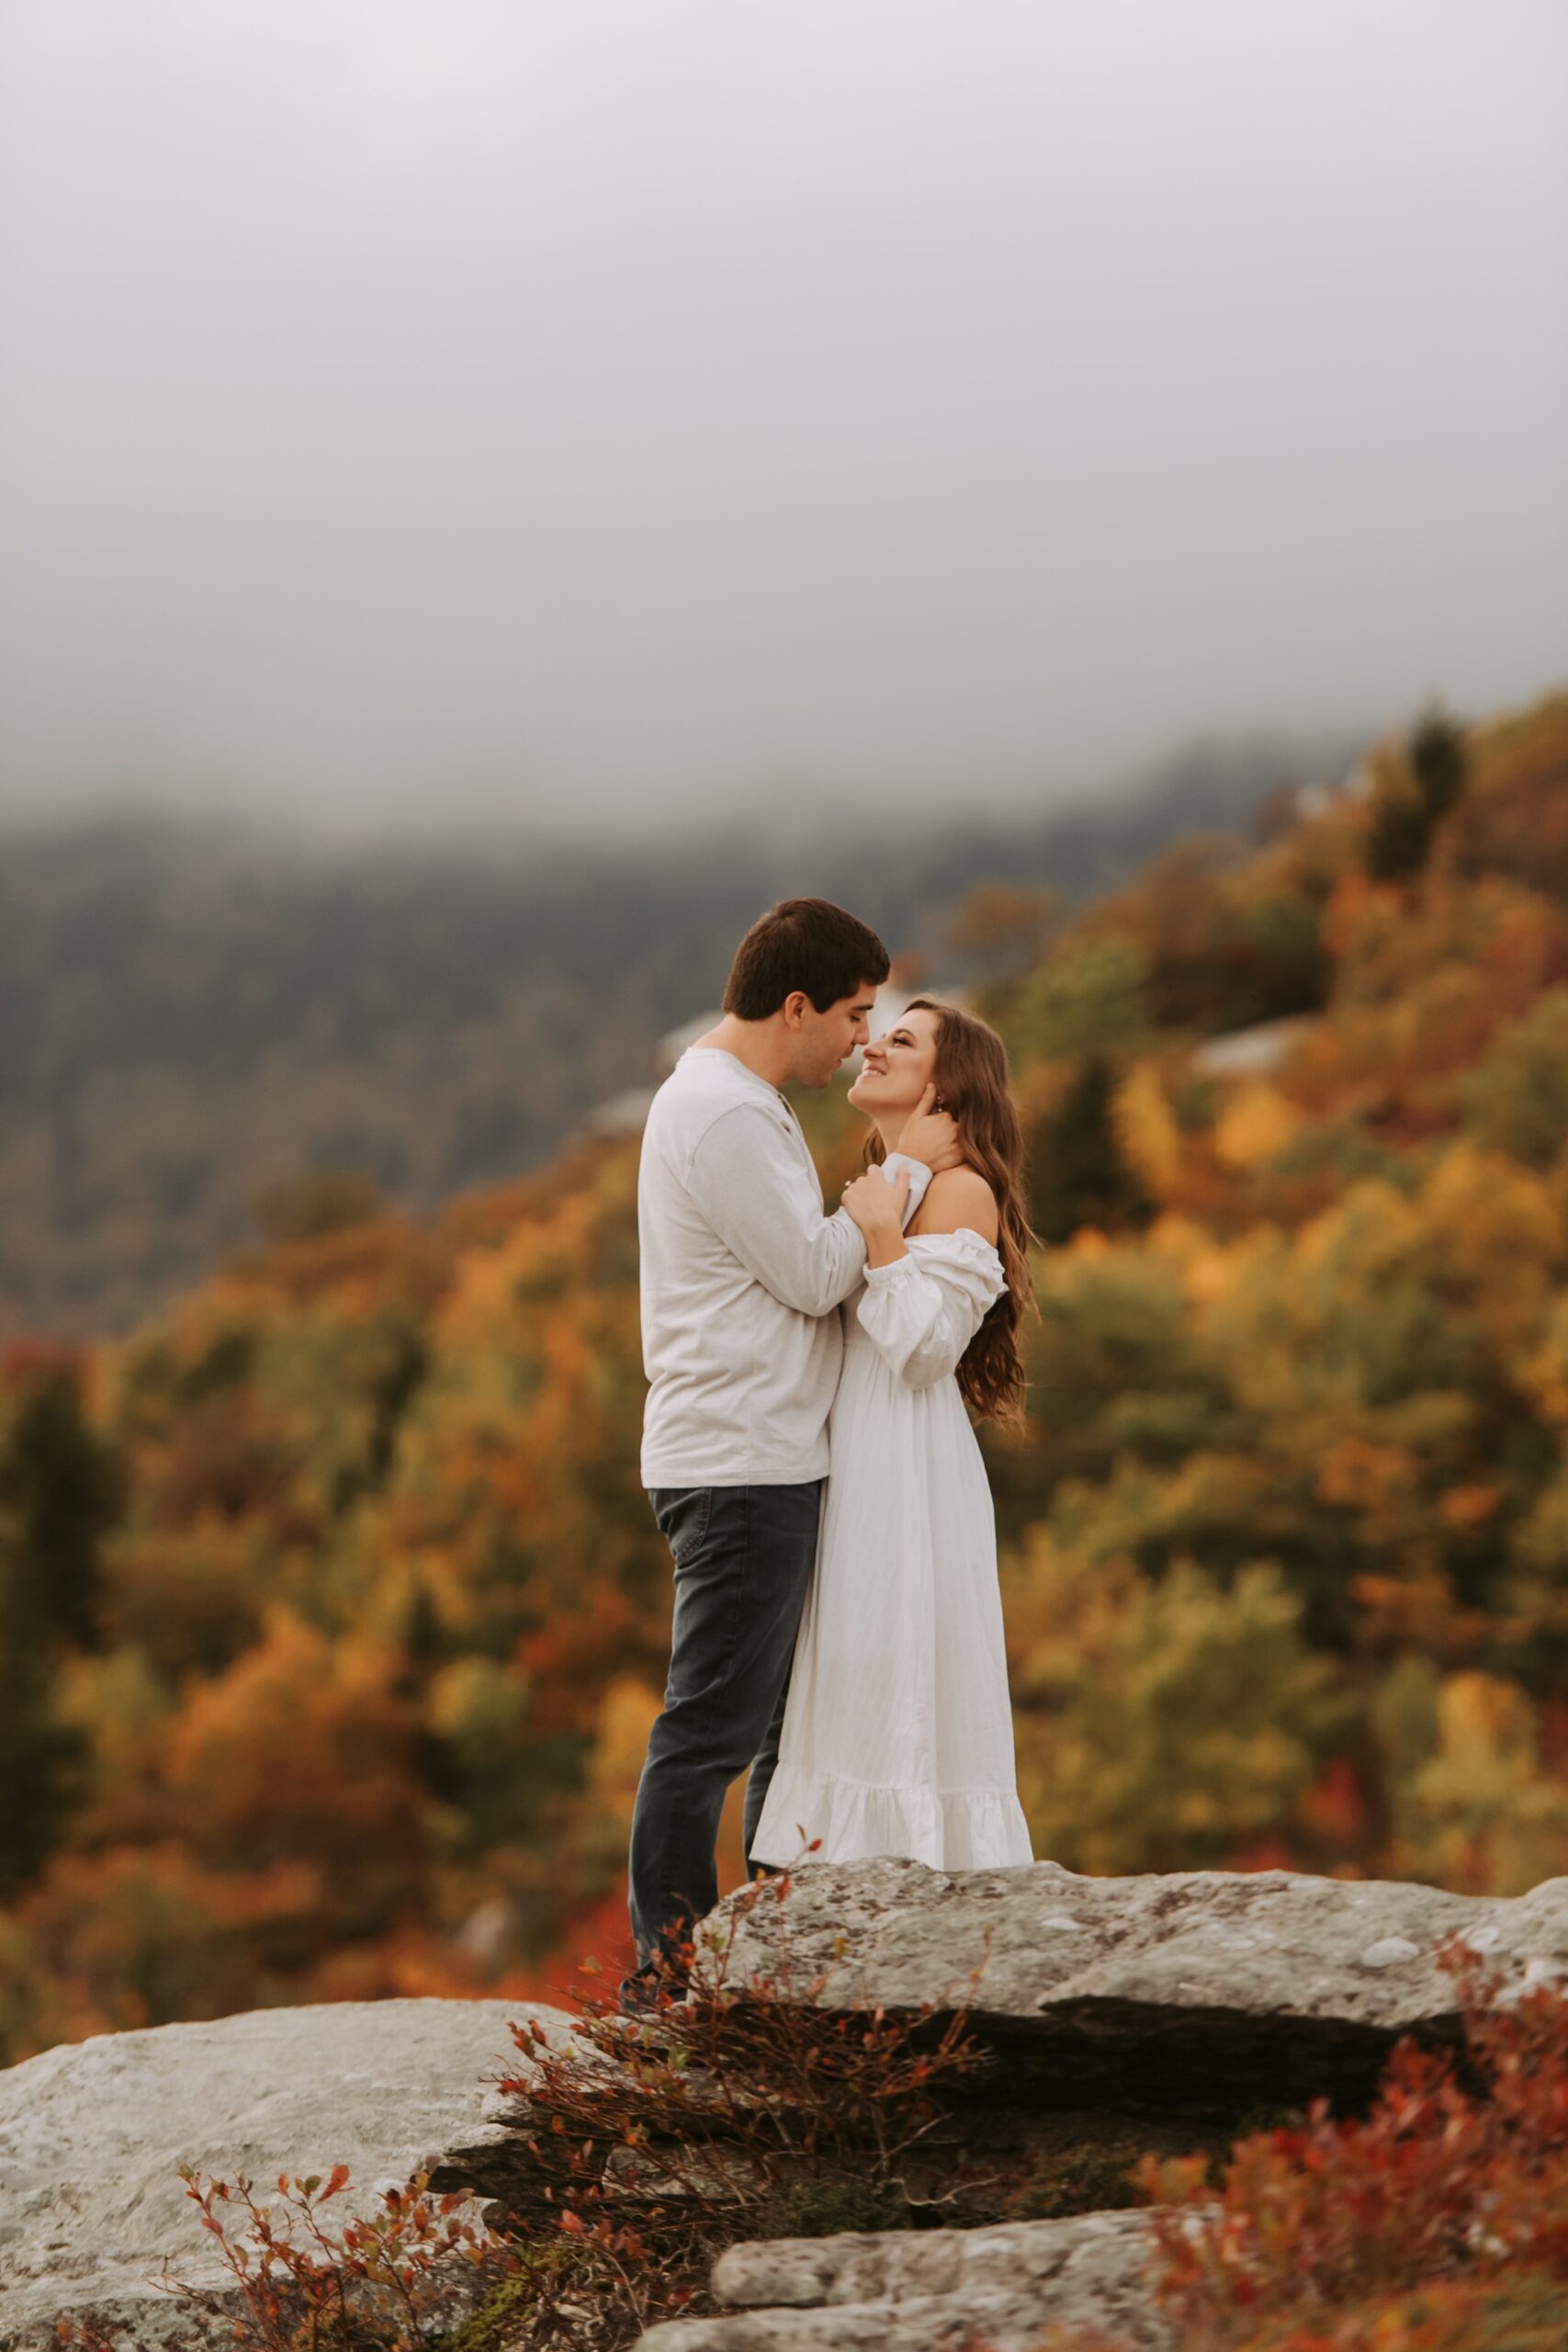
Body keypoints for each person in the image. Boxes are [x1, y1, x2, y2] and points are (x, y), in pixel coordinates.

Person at [626, 899, 962, 1993]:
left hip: (759, 1453)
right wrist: (900, 1178)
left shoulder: (740, 1100)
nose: (865, 1040)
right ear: (798, 1004)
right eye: (857, 1015)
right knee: (713, 1728)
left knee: (780, 1723)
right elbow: (818, 1274)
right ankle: (669, 1973)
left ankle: (764, 1957)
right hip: (739, 1461)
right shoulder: (723, 1113)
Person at [750, 997, 1035, 1872]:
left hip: (905, 1469)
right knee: (841, 1685)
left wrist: (880, 1233)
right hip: (853, 1460)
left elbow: (920, 1350)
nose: (871, 1046)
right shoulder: (891, 1178)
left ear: (946, 1085)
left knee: (892, 1673)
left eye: (899, 1041)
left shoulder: (960, 1190)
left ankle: (910, 1899)